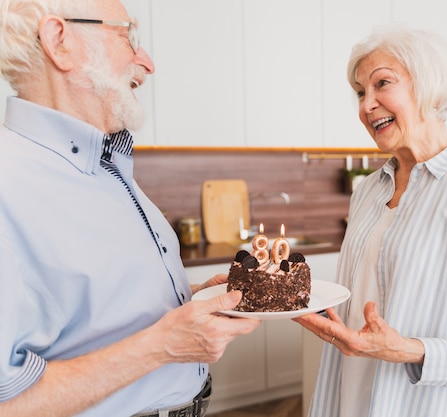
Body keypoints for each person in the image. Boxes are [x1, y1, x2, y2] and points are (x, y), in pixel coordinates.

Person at [0, 0, 260, 416]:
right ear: (59, 41)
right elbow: (7, 402)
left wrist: (188, 301)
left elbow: (89, 311)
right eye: (127, 35)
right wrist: (164, 344)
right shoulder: (8, 184)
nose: (148, 63)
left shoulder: (107, 164)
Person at [295, 24, 447, 417]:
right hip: (350, 397)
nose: (366, 105)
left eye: (381, 83)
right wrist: (317, 309)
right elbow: (364, 303)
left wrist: (405, 350)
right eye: (359, 92)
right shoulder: (368, 190)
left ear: (428, 87)